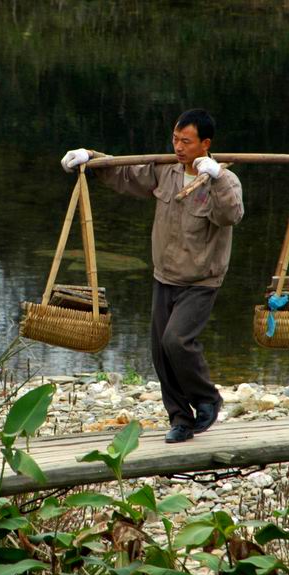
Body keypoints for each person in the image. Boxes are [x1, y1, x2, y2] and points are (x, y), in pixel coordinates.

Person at [60, 109, 243, 443]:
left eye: (186, 141)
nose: (178, 146)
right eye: (175, 139)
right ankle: (180, 420)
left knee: (177, 340)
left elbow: (231, 215)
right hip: (165, 276)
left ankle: (207, 398)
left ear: (205, 143)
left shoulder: (225, 180)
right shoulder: (166, 171)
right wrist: (91, 159)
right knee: (160, 351)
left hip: (201, 281)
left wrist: (214, 177)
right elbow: (126, 175)